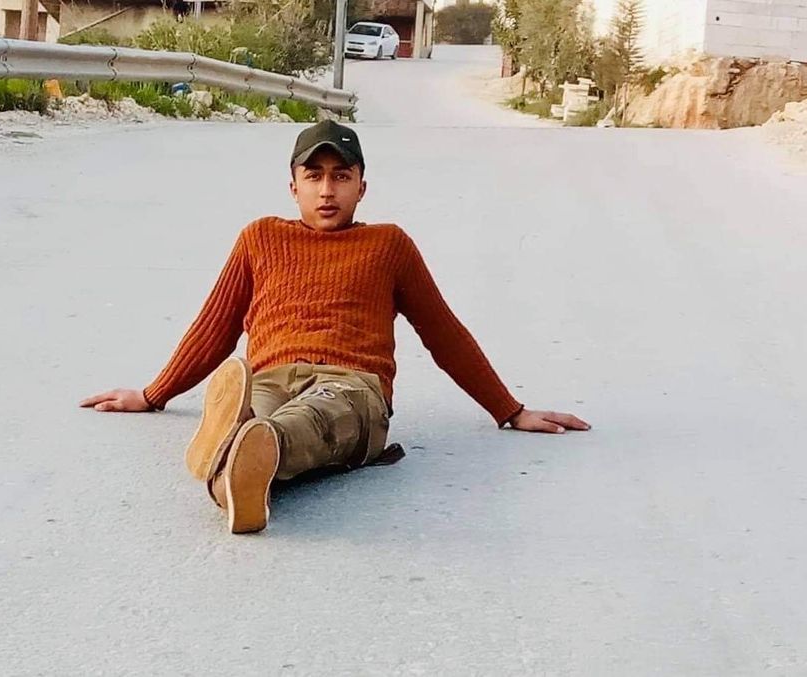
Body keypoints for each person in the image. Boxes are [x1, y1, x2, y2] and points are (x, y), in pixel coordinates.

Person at [80, 120, 590, 534]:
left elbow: (443, 332)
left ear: (361, 187)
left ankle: (238, 445)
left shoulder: (388, 245)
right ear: (293, 185)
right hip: (270, 377)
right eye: (314, 176)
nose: (327, 190)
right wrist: (153, 394)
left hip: (353, 386)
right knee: (257, 412)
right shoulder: (260, 238)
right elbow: (214, 326)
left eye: (341, 176)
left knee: (314, 417)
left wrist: (509, 409)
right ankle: (239, 470)